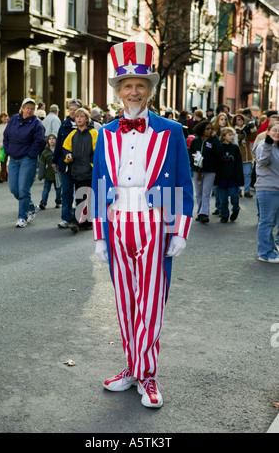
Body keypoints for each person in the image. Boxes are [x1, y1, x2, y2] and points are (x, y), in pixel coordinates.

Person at [91, 41, 193, 408]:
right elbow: (100, 184)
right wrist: (100, 236)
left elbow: (183, 184)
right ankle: (132, 368)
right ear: (118, 92)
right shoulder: (105, 132)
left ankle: (147, 374)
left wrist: (179, 230)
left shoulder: (171, 131)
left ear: (150, 90)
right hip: (118, 222)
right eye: (126, 85)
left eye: (140, 85)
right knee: (124, 301)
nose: (133, 91)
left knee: (150, 302)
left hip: (155, 222)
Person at [3, 98, 45, 228]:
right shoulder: (14, 119)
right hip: (14, 158)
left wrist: (31, 154)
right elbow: (6, 135)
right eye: (27, 108)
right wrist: (8, 149)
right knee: (14, 189)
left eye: (32, 108)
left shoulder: (37, 124)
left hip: (27, 159)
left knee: (23, 189)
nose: (29, 110)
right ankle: (32, 206)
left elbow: (40, 142)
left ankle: (22, 217)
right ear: (22, 108)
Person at [62, 108, 97, 233]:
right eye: (77, 117)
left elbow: (97, 151)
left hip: (89, 171)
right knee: (80, 196)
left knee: (82, 197)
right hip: (76, 171)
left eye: (82, 116)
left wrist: (92, 165)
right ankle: (87, 222)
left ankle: (76, 222)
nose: (79, 119)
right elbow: (65, 149)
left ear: (87, 119)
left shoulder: (93, 133)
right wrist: (68, 156)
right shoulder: (72, 134)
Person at [52, 98, 82, 228]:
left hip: (82, 166)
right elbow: (58, 144)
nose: (72, 112)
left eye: (75, 110)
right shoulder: (64, 125)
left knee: (81, 192)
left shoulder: (87, 126)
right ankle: (66, 218)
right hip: (66, 165)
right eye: (70, 110)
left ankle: (81, 219)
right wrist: (55, 161)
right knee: (66, 192)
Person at [253, 121, 279, 263]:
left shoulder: (277, 147)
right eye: (274, 130)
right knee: (266, 221)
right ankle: (264, 253)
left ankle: (270, 249)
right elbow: (263, 160)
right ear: (268, 131)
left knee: (271, 222)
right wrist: (268, 144)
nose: (277, 133)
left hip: (276, 189)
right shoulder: (264, 145)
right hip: (267, 189)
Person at [189, 119, 223, 223]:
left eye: (210, 129)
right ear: (201, 130)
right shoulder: (195, 141)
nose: (209, 131)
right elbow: (190, 153)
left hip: (210, 170)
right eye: (207, 129)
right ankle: (199, 212)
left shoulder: (213, 141)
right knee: (198, 193)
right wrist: (195, 160)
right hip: (197, 170)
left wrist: (215, 138)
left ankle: (204, 213)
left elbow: (219, 152)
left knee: (206, 192)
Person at [215, 127, 244, 223]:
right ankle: (224, 215)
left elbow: (238, 163)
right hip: (222, 177)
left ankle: (236, 209)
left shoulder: (235, 148)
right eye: (229, 135)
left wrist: (239, 177)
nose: (232, 137)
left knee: (234, 196)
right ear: (223, 136)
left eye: (232, 135)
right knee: (223, 198)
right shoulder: (219, 147)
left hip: (233, 177)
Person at [230, 113, 256, 197]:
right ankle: (238, 190)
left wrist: (252, 128)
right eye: (238, 119)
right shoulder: (232, 130)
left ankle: (247, 190)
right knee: (238, 174)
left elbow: (253, 137)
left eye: (241, 119)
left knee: (247, 173)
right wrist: (238, 136)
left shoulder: (246, 128)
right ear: (235, 121)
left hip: (247, 155)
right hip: (237, 155)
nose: (241, 120)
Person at [38, 134, 62, 210]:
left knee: (58, 189)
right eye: (50, 139)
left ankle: (58, 202)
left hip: (57, 174)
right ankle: (43, 203)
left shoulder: (59, 150)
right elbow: (42, 164)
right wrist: (41, 175)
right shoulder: (45, 152)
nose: (51, 140)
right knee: (46, 189)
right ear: (47, 141)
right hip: (48, 174)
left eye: (53, 138)